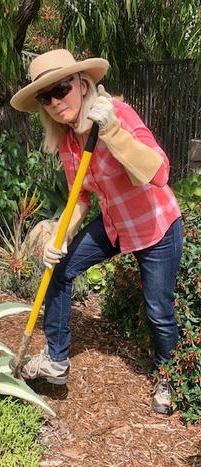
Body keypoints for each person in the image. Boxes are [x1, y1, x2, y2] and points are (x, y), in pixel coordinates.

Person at [10, 49, 183, 415]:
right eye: (46, 97)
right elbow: (81, 198)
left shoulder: (117, 114)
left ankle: (168, 374)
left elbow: (159, 173)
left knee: (158, 310)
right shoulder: (67, 139)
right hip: (115, 226)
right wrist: (60, 237)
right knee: (58, 268)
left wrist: (114, 132)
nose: (56, 103)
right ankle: (56, 360)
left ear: (83, 83)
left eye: (61, 89)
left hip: (155, 227)